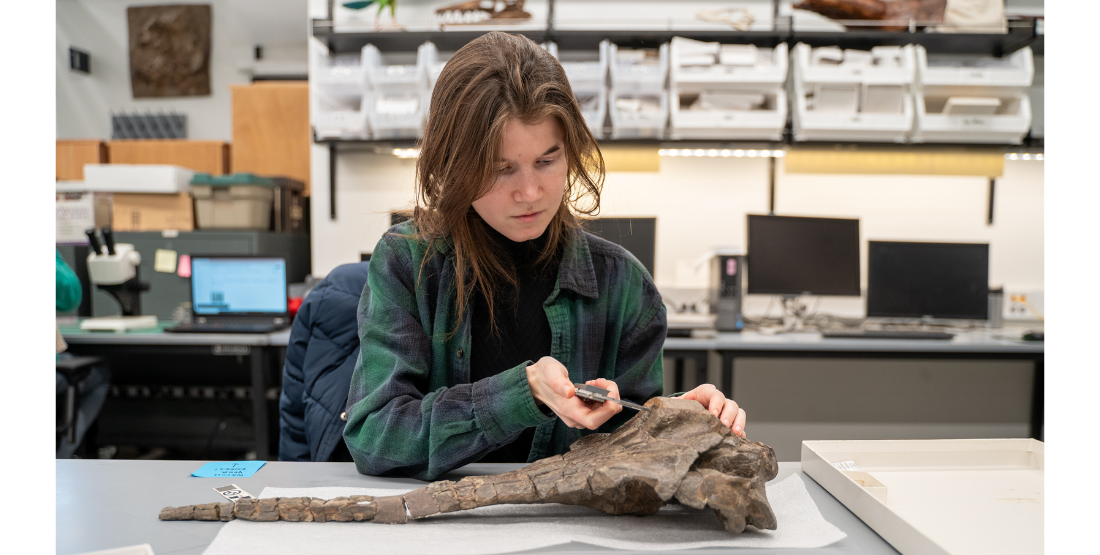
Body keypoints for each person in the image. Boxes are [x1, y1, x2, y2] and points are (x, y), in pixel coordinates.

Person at [343, 31, 747, 481]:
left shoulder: (625, 286)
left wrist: (679, 422)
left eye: (548, 160)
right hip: (438, 529)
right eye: (502, 169)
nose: (530, 192)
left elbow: (632, 454)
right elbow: (374, 437)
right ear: (453, 163)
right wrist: (523, 394)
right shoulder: (407, 262)